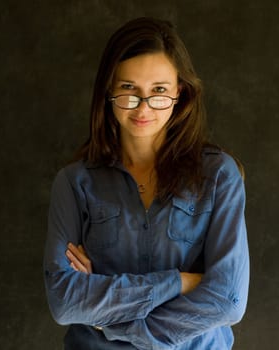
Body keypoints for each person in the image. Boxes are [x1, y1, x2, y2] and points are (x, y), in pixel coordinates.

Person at [43, 17, 249, 350]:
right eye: (128, 89)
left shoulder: (219, 176)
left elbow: (228, 301)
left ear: (179, 92)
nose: (143, 107)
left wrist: (107, 322)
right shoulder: (74, 183)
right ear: (109, 89)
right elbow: (65, 303)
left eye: (158, 91)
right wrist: (179, 282)